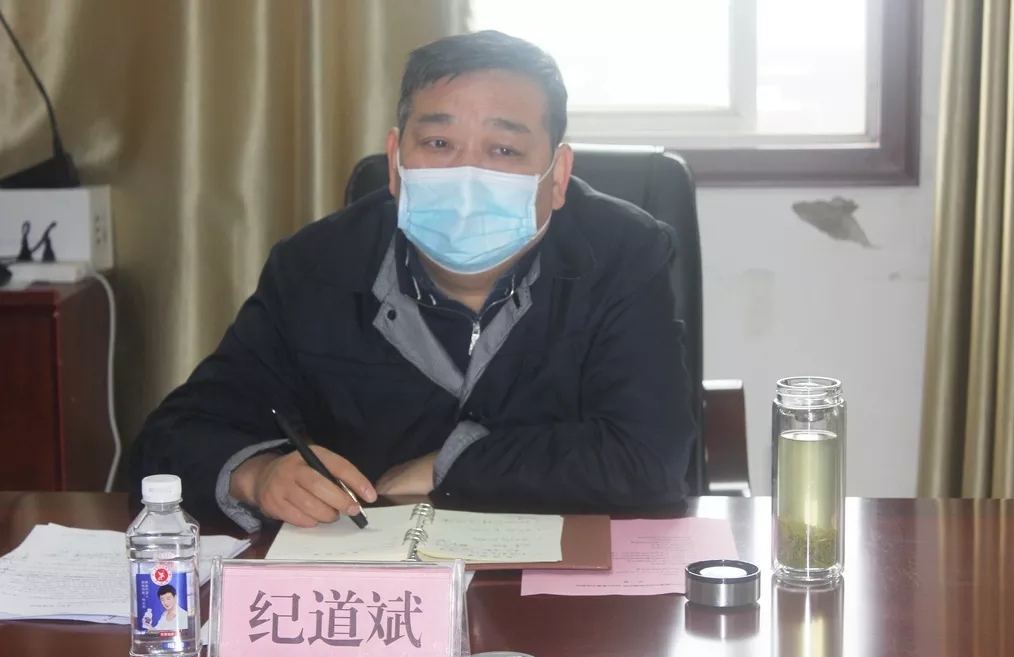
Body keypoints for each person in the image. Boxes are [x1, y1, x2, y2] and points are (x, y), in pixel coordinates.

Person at [128, 30, 694, 532]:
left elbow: (652, 458)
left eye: (504, 149)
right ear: (397, 159)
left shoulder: (622, 253)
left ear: (558, 176)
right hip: (369, 585)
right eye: (439, 144)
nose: (467, 176)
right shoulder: (315, 267)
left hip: (559, 589)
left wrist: (452, 464)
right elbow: (172, 437)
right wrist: (258, 475)